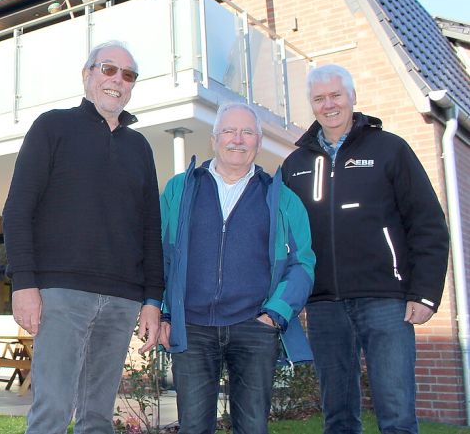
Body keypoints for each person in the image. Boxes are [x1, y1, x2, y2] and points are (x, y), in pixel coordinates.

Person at [3, 40, 163, 433]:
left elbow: (150, 229)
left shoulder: (140, 147)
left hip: (122, 301)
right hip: (61, 295)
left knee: (97, 418)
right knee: (52, 412)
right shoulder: (52, 127)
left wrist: (152, 300)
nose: (117, 80)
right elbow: (18, 209)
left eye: (128, 75)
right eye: (108, 69)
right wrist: (24, 284)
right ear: (87, 74)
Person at [281, 64, 449, 434]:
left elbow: (427, 223)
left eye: (335, 95)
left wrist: (424, 293)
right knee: (337, 418)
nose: (328, 105)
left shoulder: (390, 149)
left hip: (386, 300)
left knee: (397, 415)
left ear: (352, 97)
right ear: (311, 104)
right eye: (319, 98)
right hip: (323, 305)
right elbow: (282, 238)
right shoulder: (295, 165)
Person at [159, 102, 315, 434]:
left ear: (258, 142)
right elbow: (160, 254)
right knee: (194, 428)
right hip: (194, 328)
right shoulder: (179, 189)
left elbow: (303, 263)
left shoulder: (283, 198)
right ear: (214, 139)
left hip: (254, 326)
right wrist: (164, 312)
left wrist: (275, 313)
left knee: (252, 427)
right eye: (229, 131)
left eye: (247, 132)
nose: (238, 139)